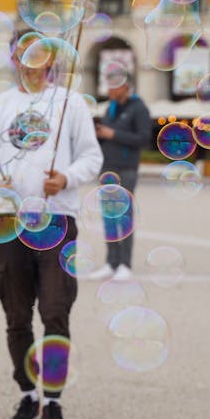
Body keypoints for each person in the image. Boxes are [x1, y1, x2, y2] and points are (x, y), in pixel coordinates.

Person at [0, 35, 103, 419]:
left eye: (38, 54)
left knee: (56, 312)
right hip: (9, 220)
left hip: (56, 219)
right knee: (16, 316)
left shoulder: (70, 103)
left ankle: (54, 401)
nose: (30, 62)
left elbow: (91, 157)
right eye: (23, 54)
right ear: (13, 59)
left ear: (50, 60)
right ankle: (27, 393)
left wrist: (66, 178)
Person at [88, 69, 152, 282]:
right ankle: (111, 262)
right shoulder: (110, 108)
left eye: (114, 85)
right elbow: (107, 136)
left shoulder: (139, 108)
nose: (110, 89)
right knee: (108, 217)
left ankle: (125, 264)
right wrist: (100, 134)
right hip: (107, 167)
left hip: (126, 168)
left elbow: (144, 138)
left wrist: (112, 133)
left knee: (124, 217)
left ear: (125, 86)